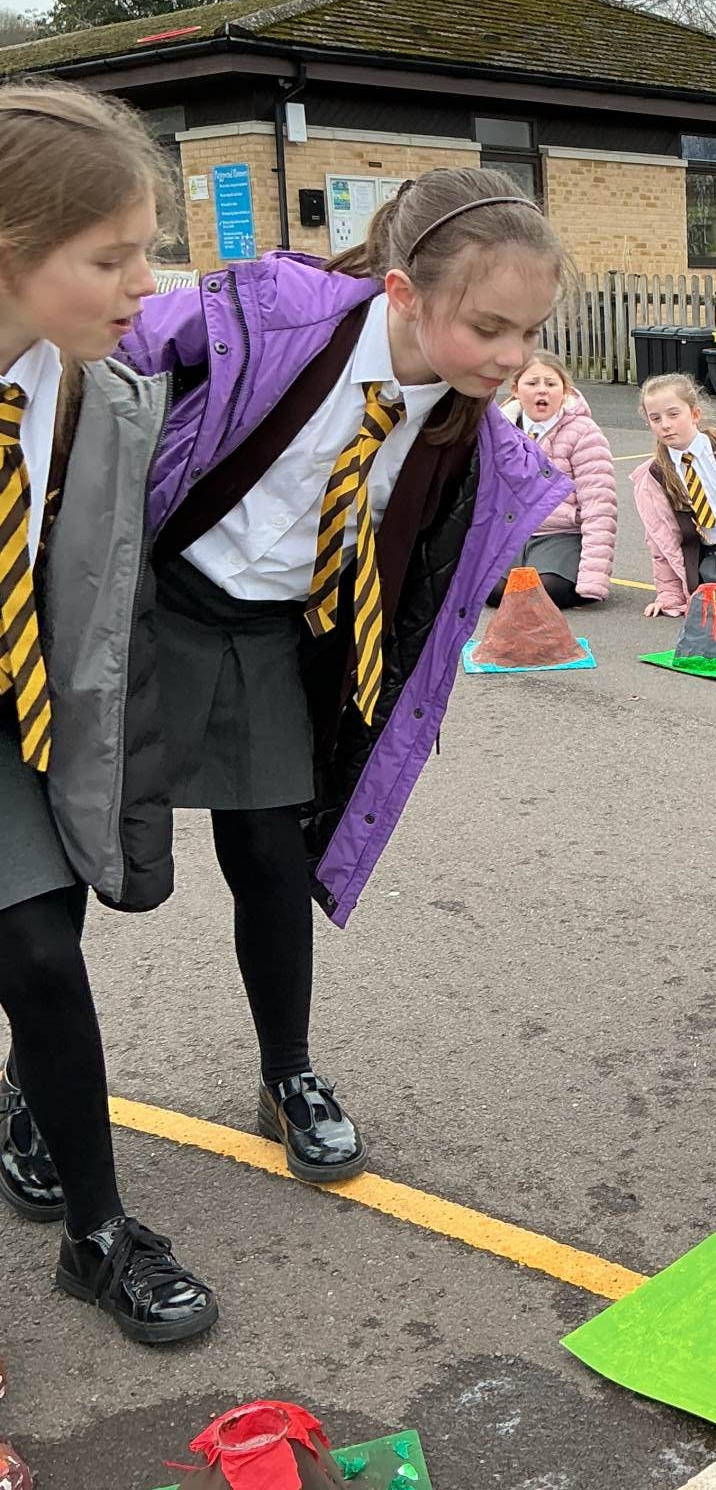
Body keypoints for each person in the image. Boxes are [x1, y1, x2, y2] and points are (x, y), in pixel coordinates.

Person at [103, 168, 573, 1186]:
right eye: (489, 327)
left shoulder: (472, 435)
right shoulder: (274, 319)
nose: (513, 356)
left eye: (531, 333)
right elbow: (106, 352)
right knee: (82, 849)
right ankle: (36, 1080)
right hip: (150, 603)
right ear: (403, 292)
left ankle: (288, 1073)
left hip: (271, 637)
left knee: (271, 857)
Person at [0, 83, 215, 1343]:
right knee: (29, 950)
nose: (146, 285)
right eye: (112, 257)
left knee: (44, 952)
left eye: (149, 250)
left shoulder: (90, 390)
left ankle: (94, 1232)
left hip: (23, 706)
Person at [632, 372, 716, 620]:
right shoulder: (655, 477)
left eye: (673, 414)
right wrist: (669, 595)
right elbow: (662, 541)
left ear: (695, 414)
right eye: (655, 418)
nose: (665, 425)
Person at [494, 351, 616, 608]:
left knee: (544, 590)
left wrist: (592, 581)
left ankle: (566, 577)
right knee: (493, 592)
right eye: (532, 383)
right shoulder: (499, 432)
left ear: (565, 390)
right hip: (512, 536)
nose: (542, 390)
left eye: (550, 384)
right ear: (515, 390)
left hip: (561, 535)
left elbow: (599, 506)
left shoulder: (585, 433)